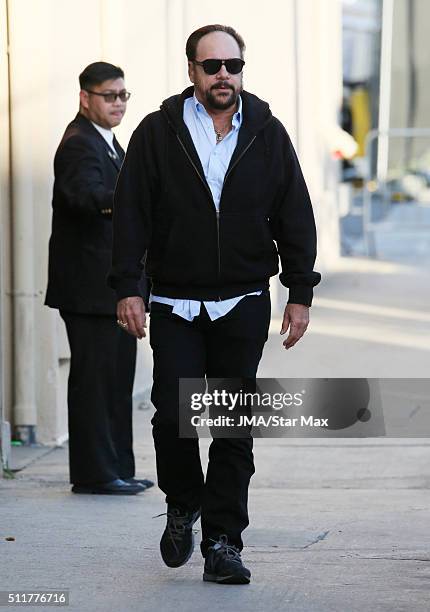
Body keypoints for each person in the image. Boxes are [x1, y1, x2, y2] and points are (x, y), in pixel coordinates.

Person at [108, 25, 321, 582]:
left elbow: (295, 213)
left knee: (233, 424)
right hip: (176, 301)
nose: (224, 74)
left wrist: (300, 293)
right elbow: (132, 213)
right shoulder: (158, 132)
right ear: (192, 72)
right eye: (212, 66)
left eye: (233, 64)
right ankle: (183, 502)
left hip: (245, 300)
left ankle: (223, 541)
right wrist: (128, 286)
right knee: (173, 416)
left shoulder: (268, 133)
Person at [45, 61, 153, 495]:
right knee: (94, 381)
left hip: (110, 287)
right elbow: (86, 196)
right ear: (85, 98)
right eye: (109, 96)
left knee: (116, 381)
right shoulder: (78, 144)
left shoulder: (109, 143)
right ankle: (96, 474)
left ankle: (118, 469)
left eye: (124, 95)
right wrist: (137, 198)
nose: (118, 104)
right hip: (88, 289)